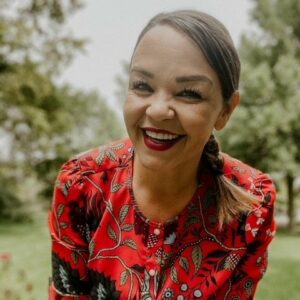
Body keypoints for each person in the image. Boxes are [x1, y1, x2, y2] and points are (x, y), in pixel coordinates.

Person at [48, 10, 276, 300]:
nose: (157, 110)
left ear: (226, 110)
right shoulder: (82, 185)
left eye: (189, 93)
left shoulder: (253, 203)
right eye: (142, 86)